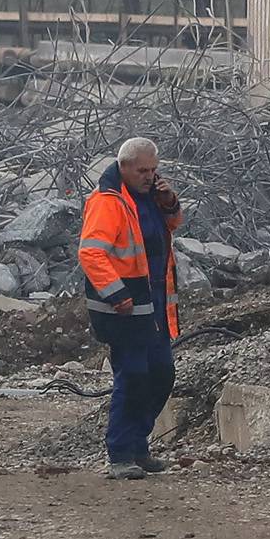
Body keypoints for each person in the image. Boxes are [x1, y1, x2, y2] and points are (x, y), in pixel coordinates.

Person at [80, 136, 183, 478]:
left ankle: (138, 445)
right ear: (123, 167)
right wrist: (116, 292)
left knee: (162, 373)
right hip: (125, 307)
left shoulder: (150, 197)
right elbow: (91, 252)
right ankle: (121, 453)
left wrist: (169, 203)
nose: (149, 176)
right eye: (142, 170)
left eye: (153, 170)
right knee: (134, 375)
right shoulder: (107, 202)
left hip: (152, 302)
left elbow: (165, 229)